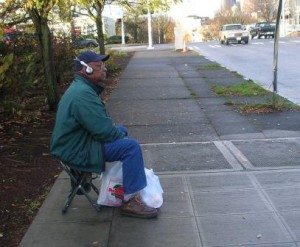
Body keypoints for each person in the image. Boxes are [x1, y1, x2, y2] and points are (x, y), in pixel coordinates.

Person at [50, 50, 158, 219]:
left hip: (74, 144)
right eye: (99, 66)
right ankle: (129, 201)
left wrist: (117, 131)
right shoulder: (83, 94)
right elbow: (105, 132)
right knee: (131, 147)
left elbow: (99, 126)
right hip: (77, 150)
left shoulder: (81, 88)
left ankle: (127, 192)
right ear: (86, 69)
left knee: (122, 133)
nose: (104, 69)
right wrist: (119, 132)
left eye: (103, 65)